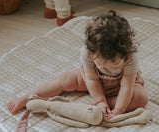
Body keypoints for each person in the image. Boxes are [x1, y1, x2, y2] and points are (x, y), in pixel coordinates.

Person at [8, 10, 149, 119]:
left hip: (120, 85)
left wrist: (118, 110)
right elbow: (91, 78)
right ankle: (28, 97)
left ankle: (108, 104)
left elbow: (126, 86)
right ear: (92, 52)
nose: (108, 67)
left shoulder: (130, 54)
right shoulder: (88, 51)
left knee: (141, 97)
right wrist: (99, 100)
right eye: (101, 63)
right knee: (65, 79)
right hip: (93, 80)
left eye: (115, 64)